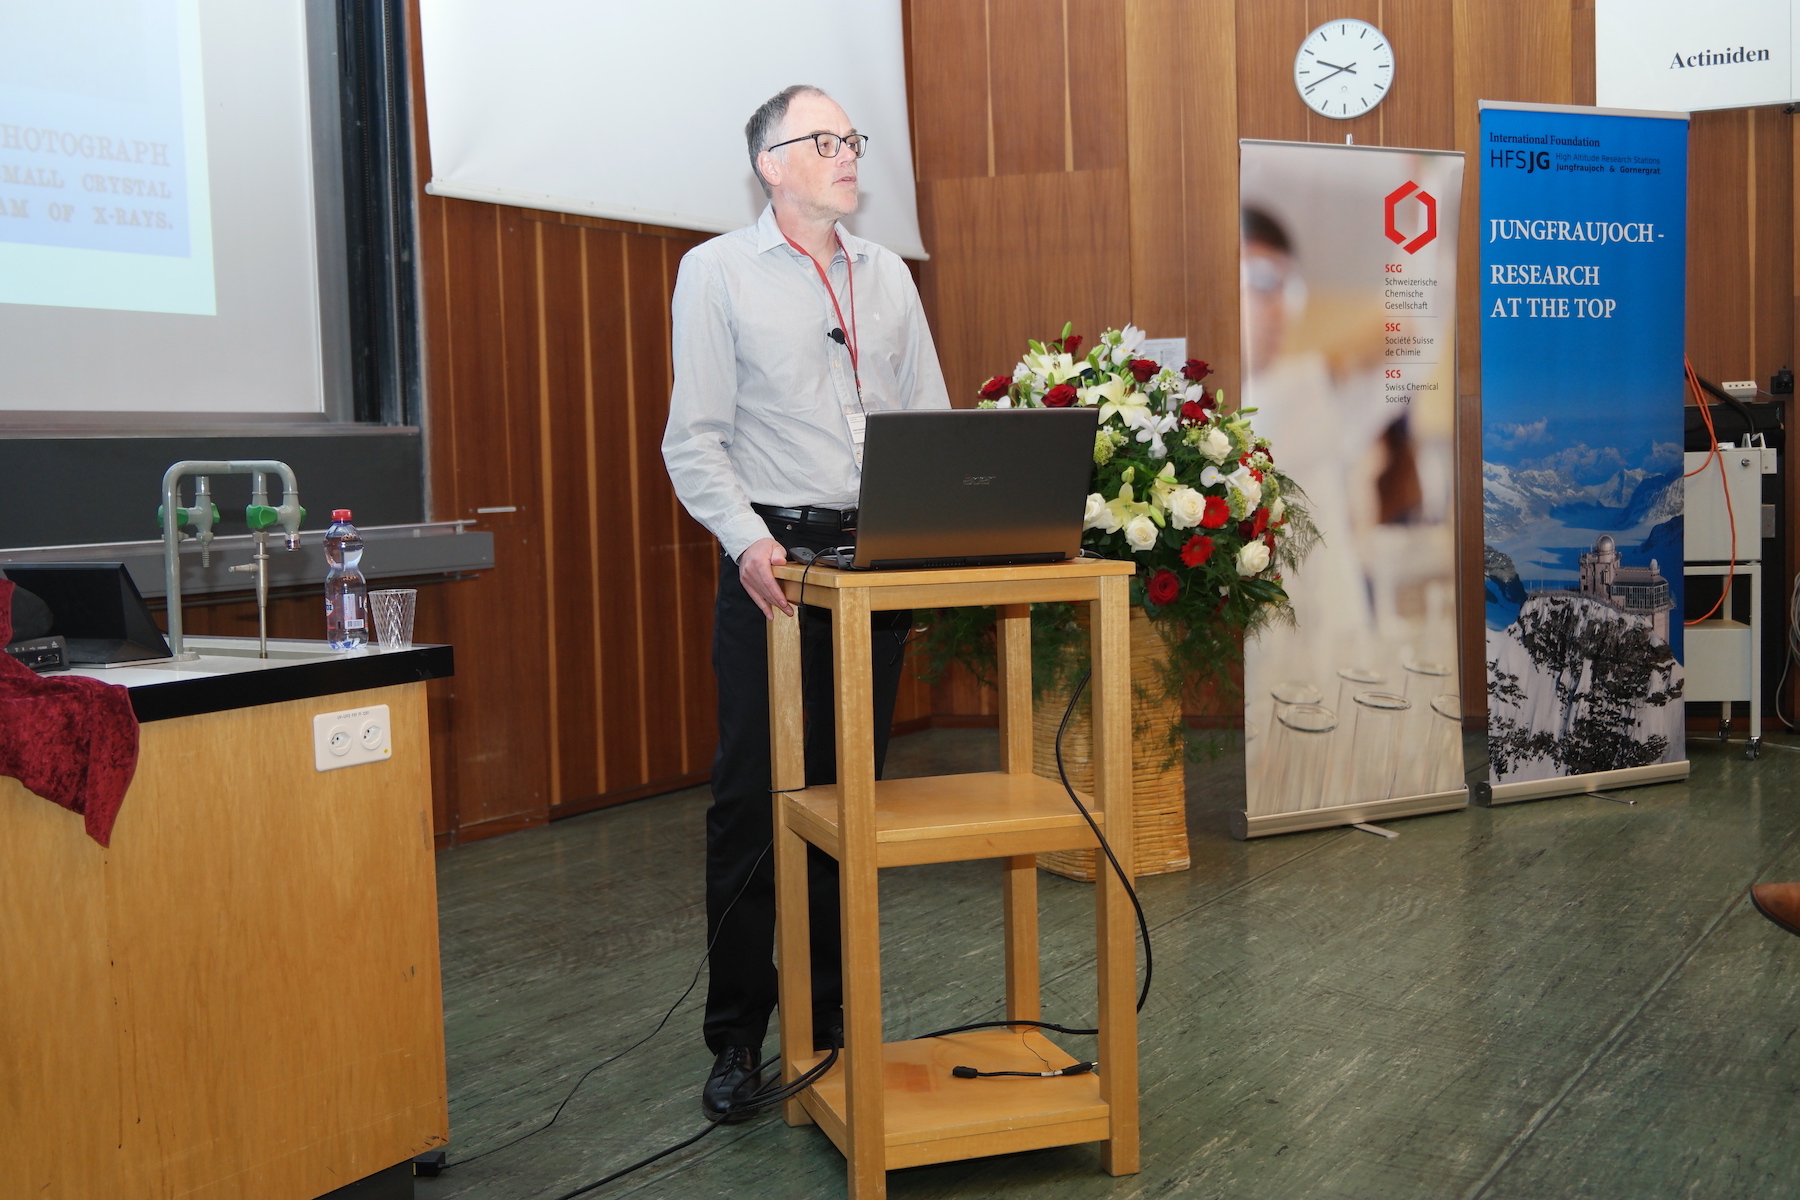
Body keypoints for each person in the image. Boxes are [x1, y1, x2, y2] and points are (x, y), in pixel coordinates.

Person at [661, 85, 951, 1121]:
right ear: (771, 164)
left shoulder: (890, 276)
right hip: (774, 565)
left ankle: (828, 1025)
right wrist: (748, 541)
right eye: (824, 140)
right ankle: (738, 1036)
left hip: (877, 566)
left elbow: (929, 421)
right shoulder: (716, 272)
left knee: (846, 802)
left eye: (852, 138)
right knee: (754, 801)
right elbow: (694, 439)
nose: (848, 154)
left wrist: (937, 540)